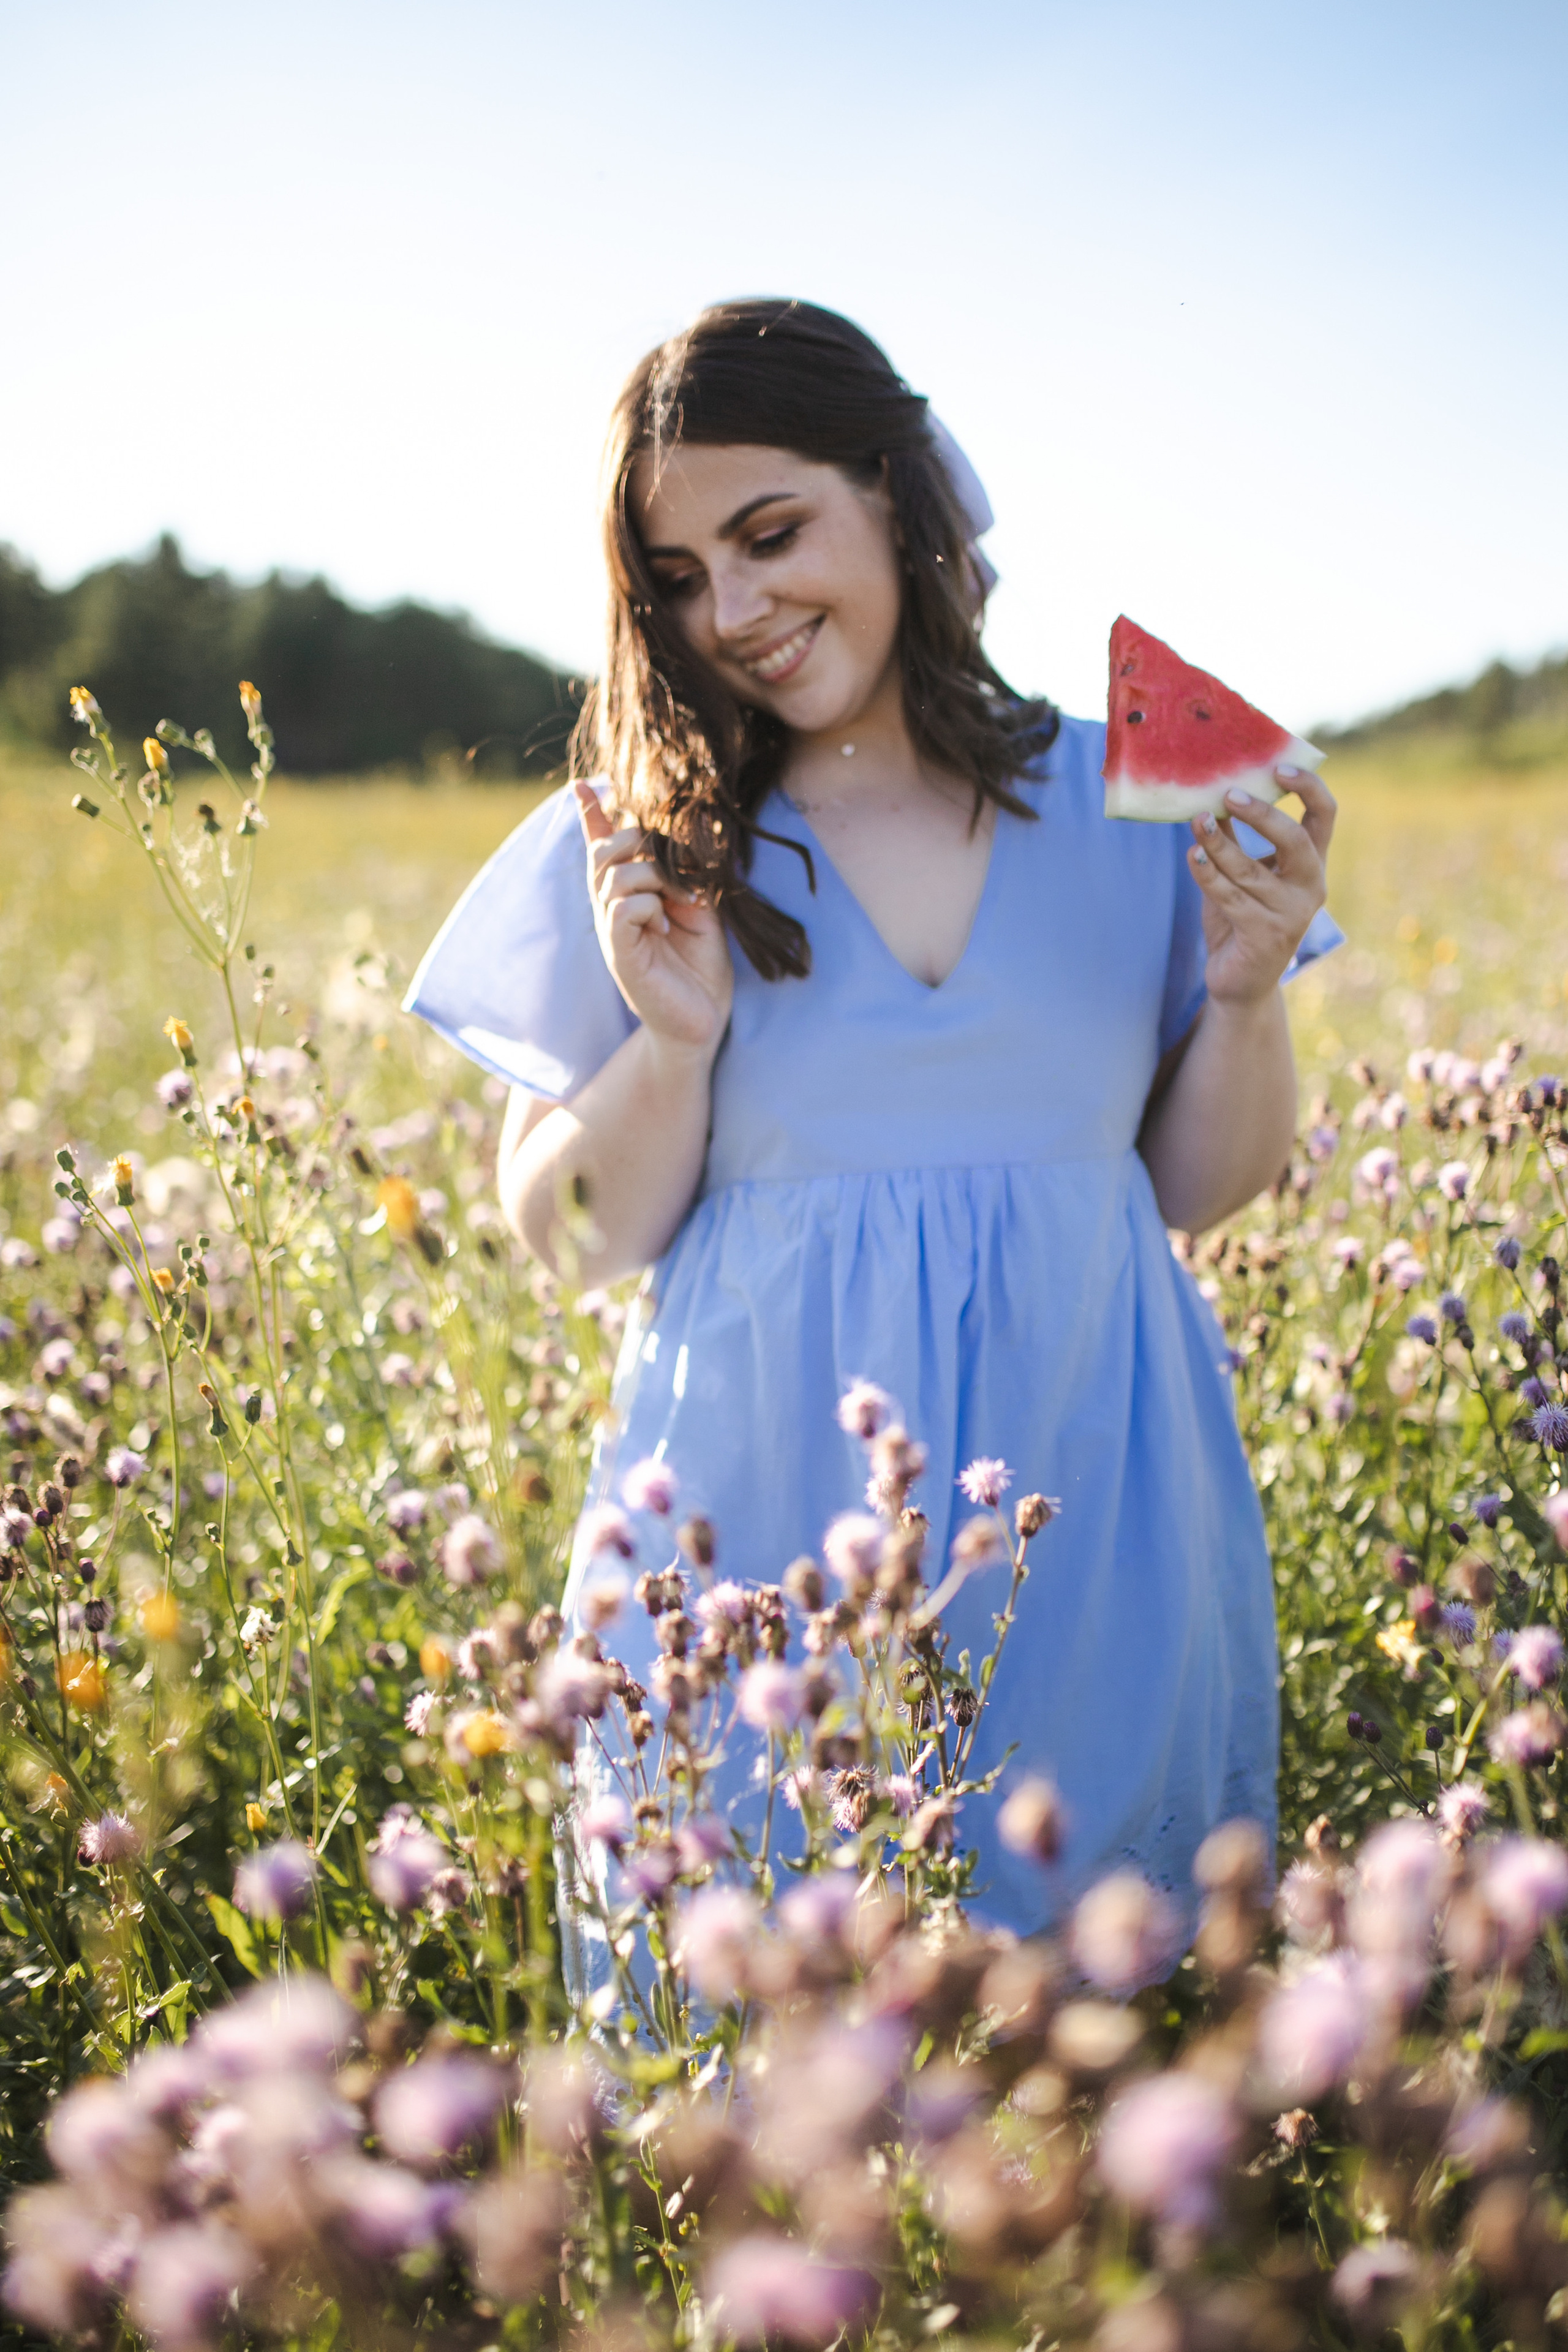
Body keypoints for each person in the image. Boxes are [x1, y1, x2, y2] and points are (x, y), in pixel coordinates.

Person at [405, 298, 1341, 1939]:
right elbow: (568, 1237)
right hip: (756, 1579)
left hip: (1090, 1533)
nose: (737, 612)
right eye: (682, 578)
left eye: (772, 535)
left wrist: (1249, 990)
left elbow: (1203, 1188)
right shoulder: (645, 843)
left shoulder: (1128, 794)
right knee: (771, 2096)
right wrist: (676, 1045)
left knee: (1109, 2092)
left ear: (899, 498)